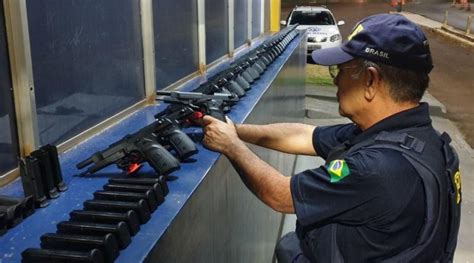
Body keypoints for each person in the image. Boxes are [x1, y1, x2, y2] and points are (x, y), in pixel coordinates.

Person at [202, 14, 461, 262]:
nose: (337, 81)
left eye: (341, 70)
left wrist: (231, 145)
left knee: (289, 246)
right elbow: (306, 136)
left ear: (371, 80)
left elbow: (279, 194)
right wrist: (235, 130)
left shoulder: (377, 167)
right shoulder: (411, 138)